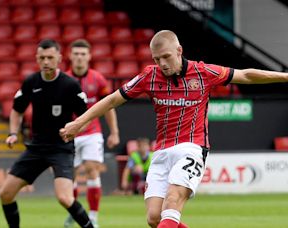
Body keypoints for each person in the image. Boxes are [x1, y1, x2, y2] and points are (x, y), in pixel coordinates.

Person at [60, 30, 288, 228]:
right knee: (153, 218)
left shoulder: (203, 72)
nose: (163, 64)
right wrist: (79, 122)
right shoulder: (149, 76)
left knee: (172, 202)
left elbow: (246, 75)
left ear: (179, 50)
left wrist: (285, 76)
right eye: (157, 59)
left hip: (192, 147)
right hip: (161, 151)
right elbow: (111, 100)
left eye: (167, 57)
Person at [0, 39, 94, 228]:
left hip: (61, 148)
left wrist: (74, 129)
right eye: (42, 58)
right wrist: (12, 132)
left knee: (65, 198)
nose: (46, 62)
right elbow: (17, 110)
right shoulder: (31, 82)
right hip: (36, 148)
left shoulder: (70, 85)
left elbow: (87, 116)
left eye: (50, 57)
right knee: (6, 194)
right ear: (36, 58)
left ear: (59, 58)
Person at [64, 39, 120, 228]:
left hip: (91, 132)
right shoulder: (63, 80)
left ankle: (93, 216)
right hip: (70, 134)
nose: (79, 57)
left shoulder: (98, 79)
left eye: (83, 54)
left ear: (89, 56)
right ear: (70, 56)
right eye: (76, 54)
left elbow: (109, 106)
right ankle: (75, 210)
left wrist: (114, 132)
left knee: (91, 169)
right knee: (68, 177)